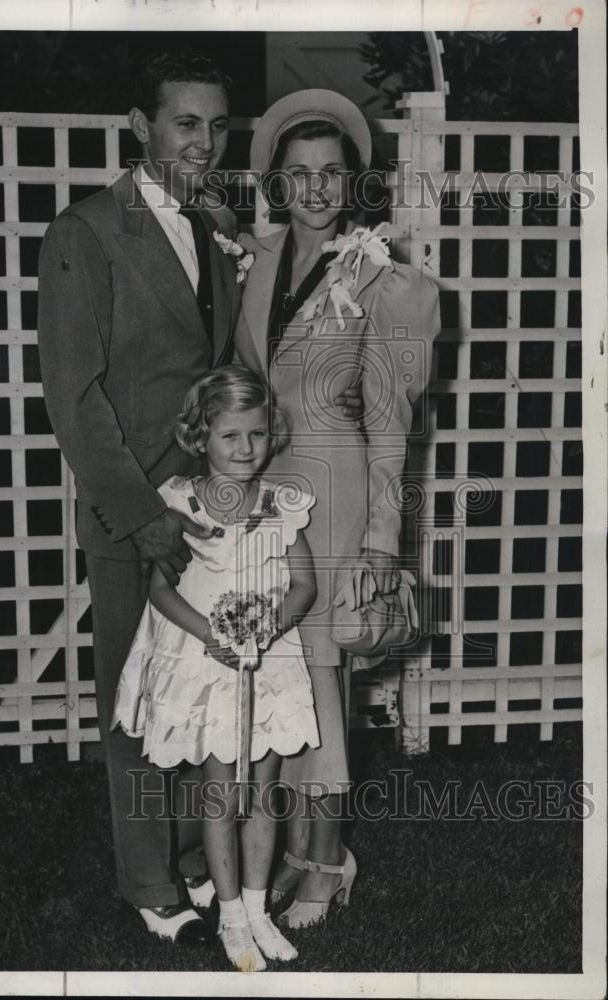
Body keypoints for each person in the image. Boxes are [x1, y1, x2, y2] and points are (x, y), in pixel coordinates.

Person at [37, 49, 242, 945]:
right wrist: (146, 514)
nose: (203, 141)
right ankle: (146, 881)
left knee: (198, 692)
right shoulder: (84, 232)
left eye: (216, 125)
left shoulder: (215, 222)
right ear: (140, 126)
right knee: (135, 696)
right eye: (184, 122)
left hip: (209, 502)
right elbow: (73, 398)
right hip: (135, 510)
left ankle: (196, 861)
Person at [234, 89, 441, 928]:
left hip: (337, 495)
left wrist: (381, 543)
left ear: (353, 183)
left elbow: (392, 428)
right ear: (277, 183)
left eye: (331, 174)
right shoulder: (257, 262)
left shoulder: (381, 277)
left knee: (320, 688)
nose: (315, 188)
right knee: (275, 683)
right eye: (298, 174)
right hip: (263, 498)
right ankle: (289, 852)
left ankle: (327, 862)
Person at [111, 365, 321, 971]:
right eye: (230, 437)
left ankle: (257, 909)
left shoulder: (281, 505)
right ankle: (229, 914)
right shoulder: (179, 502)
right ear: (201, 437)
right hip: (211, 663)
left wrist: (268, 627)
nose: (246, 449)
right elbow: (161, 590)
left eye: (256, 435)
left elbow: (303, 584)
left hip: (269, 659)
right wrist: (215, 636)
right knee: (222, 795)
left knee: (262, 791)